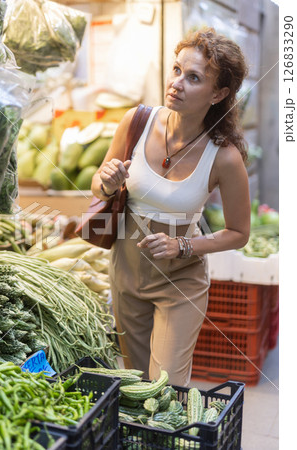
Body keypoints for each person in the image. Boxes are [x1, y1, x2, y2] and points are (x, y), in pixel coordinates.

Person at [91, 27, 251, 386]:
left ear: (219, 93)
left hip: (180, 279)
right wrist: (108, 182)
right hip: (126, 270)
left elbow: (239, 233)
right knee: (134, 383)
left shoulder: (224, 157)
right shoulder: (137, 121)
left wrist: (183, 246)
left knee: (166, 386)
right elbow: (98, 186)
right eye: (177, 70)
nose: (176, 83)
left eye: (193, 78)